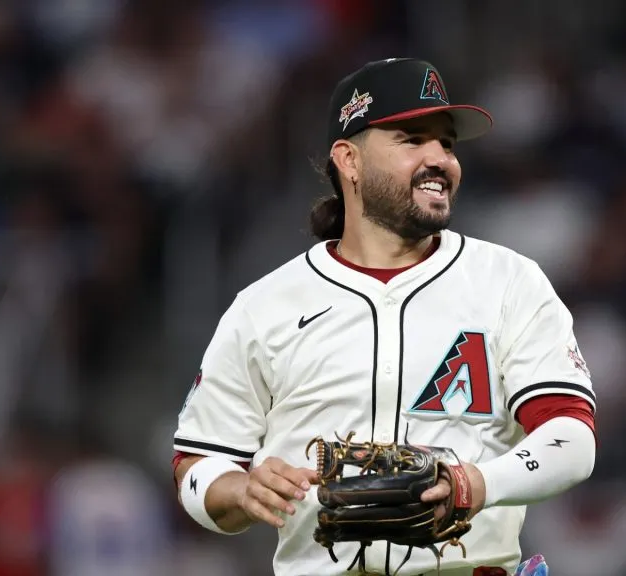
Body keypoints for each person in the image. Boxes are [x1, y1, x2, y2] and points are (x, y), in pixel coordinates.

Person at [171, 58, 597, 576]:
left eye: (447, 143)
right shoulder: (266, 306)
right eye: (412, 139)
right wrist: (239, 488)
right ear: (348, 160)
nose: (439, 158)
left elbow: (571, 439)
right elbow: (197, 464)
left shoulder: (508, 282)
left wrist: (477, 483)